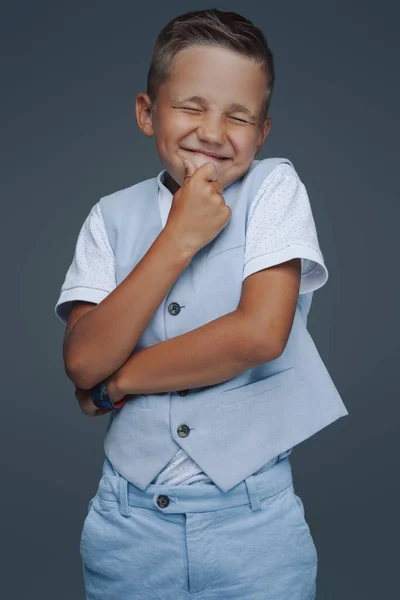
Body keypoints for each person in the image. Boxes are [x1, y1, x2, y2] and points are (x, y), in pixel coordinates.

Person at [54, 8, 348, 600]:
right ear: (147, 113)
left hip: (254, 528)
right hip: (127, 524)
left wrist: (120, 383)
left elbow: (259, 335)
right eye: (191, 107)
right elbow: (84, 363)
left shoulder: (274, 189)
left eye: (238, 117)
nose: (213, 132)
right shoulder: (109, 218)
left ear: (261, 134)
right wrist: (179, 236)